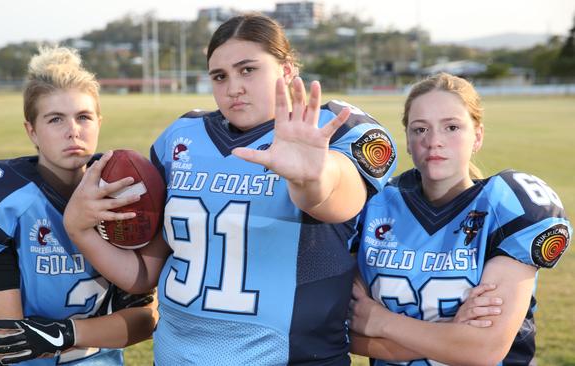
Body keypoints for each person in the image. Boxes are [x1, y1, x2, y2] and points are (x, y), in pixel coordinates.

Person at [63, 13, 397, 365]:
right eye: (219, 76)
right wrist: (78, 229)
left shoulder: (329, 131)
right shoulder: (182, 138)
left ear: (285, 71)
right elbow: (145, 275)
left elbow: (338, 202)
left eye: (248, 69)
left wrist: (312, 177)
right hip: (176, 355)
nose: (233, 87)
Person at [0, 46, 157, 365]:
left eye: (83, 117)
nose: (73, 130)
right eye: (55, 119)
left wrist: (64, 333)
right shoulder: (1, 200)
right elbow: (7, 340)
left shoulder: (124, 192)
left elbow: (144, 321)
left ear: (99, 122)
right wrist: (90, 331)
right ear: (32, 131)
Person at [349, 72, 572, 365]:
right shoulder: (375, 204)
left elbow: (483, 349)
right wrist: (451, 335)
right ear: (406, 139)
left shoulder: (508, 206)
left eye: (451, 127)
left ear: (477, 136)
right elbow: (344, 332)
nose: (434, 141)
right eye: (420, 129)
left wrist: (380, 322)